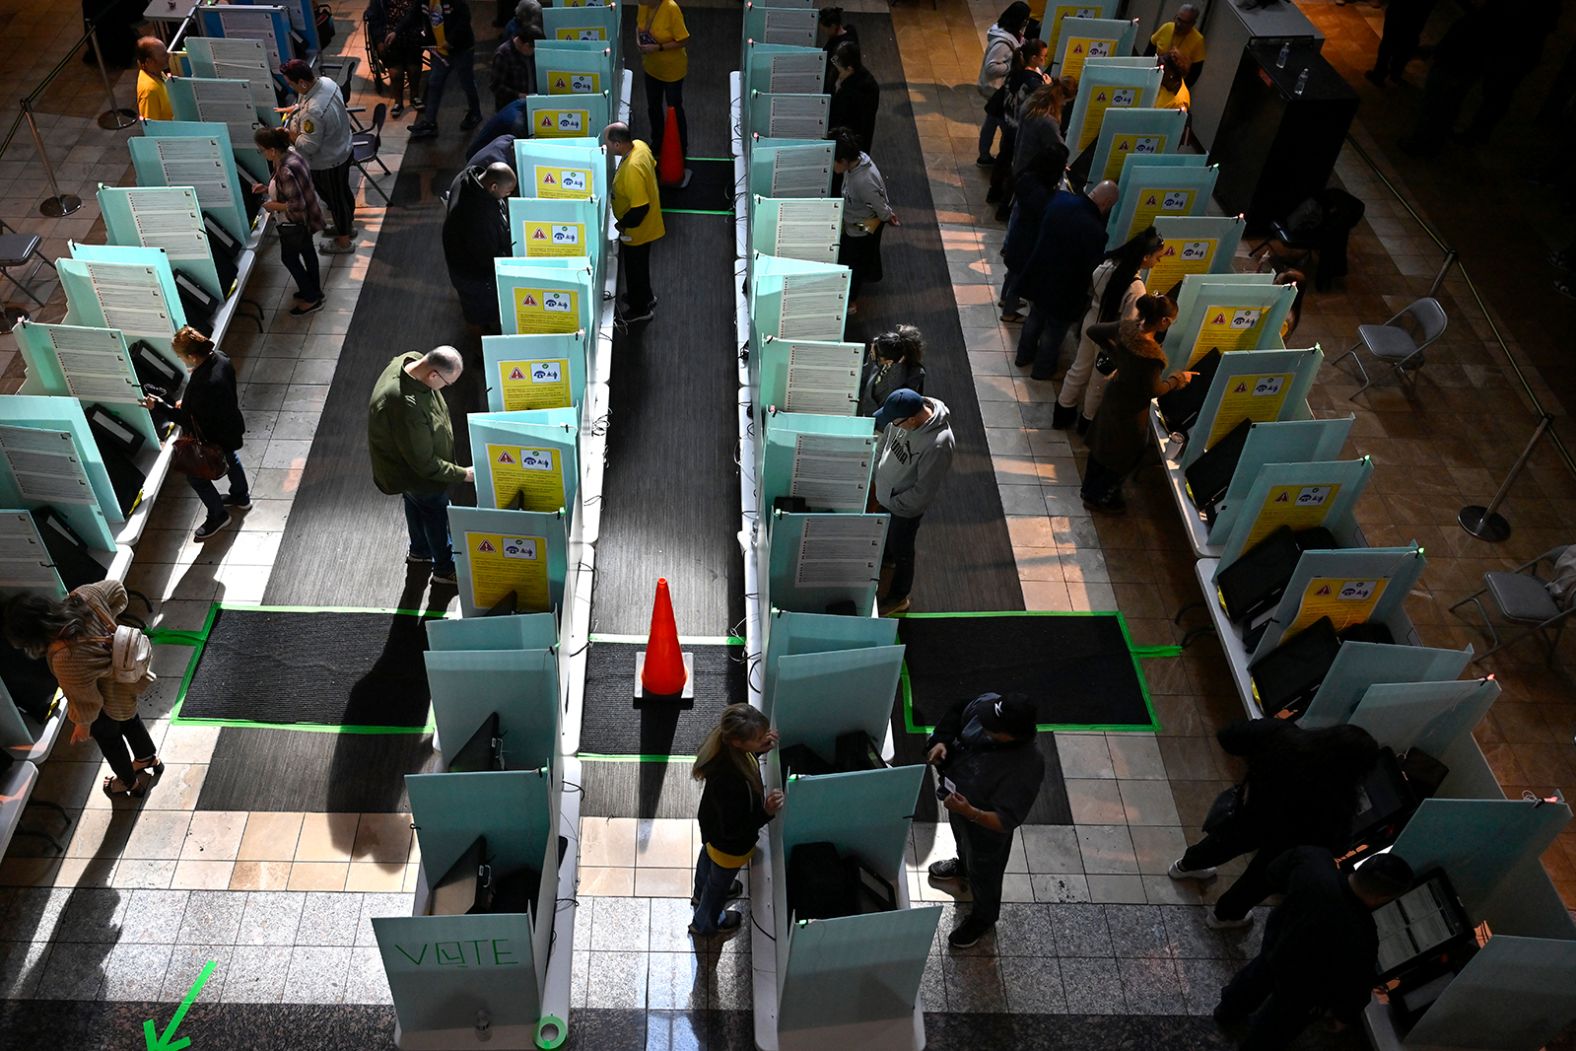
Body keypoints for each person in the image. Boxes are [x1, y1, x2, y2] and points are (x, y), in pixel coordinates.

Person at [1170, 719, 1381, 928]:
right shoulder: (1341, 800)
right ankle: (1224, 916)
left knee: (1223, 843)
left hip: (1251, 813)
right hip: (1286, 842)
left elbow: (1229, 736)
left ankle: (1185, 866)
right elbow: (1338, 846)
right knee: (1257, 881)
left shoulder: (1283, 735)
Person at [1215, 849, 1414, 1051]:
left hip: (1276, 945)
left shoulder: (1314, 865)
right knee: (1276, 1026)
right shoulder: (1364, 935)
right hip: (1301, 987)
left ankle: (1226, 1012)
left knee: (1254, 979)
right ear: (1382, 898)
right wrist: (1344, 1016)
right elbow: (1355, 985)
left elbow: (1275, 870)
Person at [5, 582, 160, 799]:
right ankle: (148, 757)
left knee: (111, 740)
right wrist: (109, 625)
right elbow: (118, 590)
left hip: (108, 699)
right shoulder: (84, 596)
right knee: (131, 719)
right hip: (127, 683)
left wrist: (82, 725)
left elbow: (88, 702)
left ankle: (129, 783)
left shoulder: (65, 657)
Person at [924, 691, 1045, 948]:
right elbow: (959, 708)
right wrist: (942, 740)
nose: (982, 724)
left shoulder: (1026, 767)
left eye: (991, 727)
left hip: (986, 830)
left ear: (1012, 735)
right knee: (962, 843)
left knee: (985, 873)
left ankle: (983, 918)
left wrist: (971, 812)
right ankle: (963, 867)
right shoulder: (989, 709)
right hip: (959, 804)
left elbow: (1005, 820)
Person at [367, 346, 475, 586]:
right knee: (435, 515)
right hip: (420, 475)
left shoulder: (410, 360)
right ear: (433, 375)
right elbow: (425, 464)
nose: (446, 388)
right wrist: (462, 474)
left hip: (405, 472)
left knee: (415, 505)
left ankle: (419, 552)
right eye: (447, 383)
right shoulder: (407, 408)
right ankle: (444, 570)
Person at [1078, 294, 1192, 513]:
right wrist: (1178, 379)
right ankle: (1102, 498)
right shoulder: (1150, 356)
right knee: (1123, 455)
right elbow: (1154, 389)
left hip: (1114, 396)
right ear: (1164, 322)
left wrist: (1118, 357)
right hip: (1131, 411)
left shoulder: (1126, 329)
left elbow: (1093, 331)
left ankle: (1088, 491)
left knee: (1101, 444)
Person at [141, 327, 250, 541]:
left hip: (212, 437)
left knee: (197, 479)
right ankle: (241, 496)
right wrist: (191, 404)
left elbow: (186, 419)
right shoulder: (221, 358)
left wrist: (159, 407)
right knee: (231, 458)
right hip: (231, 426)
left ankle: (218, 516)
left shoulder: (202, 385)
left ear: (191, 356)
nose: (183, 361)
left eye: (182, 357)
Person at [1055, 225, 1164, 432]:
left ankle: (1062, 410)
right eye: (1157, 257)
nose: (1158, 262)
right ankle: (1086, 423)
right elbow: (1128, 322)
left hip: (1091, 322)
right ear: (1145, 257)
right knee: (1099, 381)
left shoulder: (1106, 266)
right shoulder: (1137, 287)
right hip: (1111, 336)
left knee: (1078, 368)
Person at [691, 704, 784, 937]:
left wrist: (758, 750)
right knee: (717, 890)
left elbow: (745, 759)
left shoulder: (725, 752)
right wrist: (766, 812)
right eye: (759, 738)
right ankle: (705, 923)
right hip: (728, 846)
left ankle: (699, 894)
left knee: (707, 864)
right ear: (737, 742)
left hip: (713, 835)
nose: (765, 738)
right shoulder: (729, 781)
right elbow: (736, 828)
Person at [1014, 180, 1118, 380]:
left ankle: (1023, 356)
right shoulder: (1096, 232)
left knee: (1034, 318)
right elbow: (1092, 268)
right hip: (1066, 291)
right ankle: (1042, 369)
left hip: (1040, 275)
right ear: (1106, 204)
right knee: (1053, 332)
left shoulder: (1060, 200)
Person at [872, 390, 955, 616]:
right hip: (887, 497)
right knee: (888, 540)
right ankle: (886, 563)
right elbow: (886, 438)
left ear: (911, 419)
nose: (893, 424)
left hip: (904, 510)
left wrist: (892, 501)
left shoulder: (938, 444)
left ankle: (899, 597)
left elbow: (923, 491)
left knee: (903, 552)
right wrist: (876, 469)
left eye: (897, 421)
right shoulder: (903, 417)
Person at [280, 59, 356, 255]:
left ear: (302, 83)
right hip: (343, 149)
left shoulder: (314, 111)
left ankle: (344, 242)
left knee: (335, 201)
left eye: (291, 83)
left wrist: (288, 134)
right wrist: (296, 110)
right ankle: (347, 227)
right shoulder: (327, 83)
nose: (290, 87)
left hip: (328, 162)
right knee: (343, 194)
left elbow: (308, 146)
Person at [253, 126, 327, 316]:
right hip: (307, 219)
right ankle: (314, 291)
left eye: (261, 150)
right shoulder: (292, 155)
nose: (261, 154)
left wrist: (273, 206)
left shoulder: (285, 169)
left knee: (289, 258)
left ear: (272, 150)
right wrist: (267, 188)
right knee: (308, 254)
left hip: (295, 222)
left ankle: (311, 298)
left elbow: (296, 204)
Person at [442, 161, 516, 336]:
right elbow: (487, 258)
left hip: (458, 254)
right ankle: (478, 347)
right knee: (476, 312)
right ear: (493, 186)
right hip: (472, 273)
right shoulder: (479, 217)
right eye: (506, 192)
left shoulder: (466, 176)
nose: (507, 197)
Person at [605, 122, 665, 326]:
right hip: (650, 224)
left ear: (617, 144)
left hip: (637, 230)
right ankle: (645, 297)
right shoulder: (640, 146)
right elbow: (655, 171)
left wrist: (622, 225)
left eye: (609, 143)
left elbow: (640, 208)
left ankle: (640, 310)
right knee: (641, 265)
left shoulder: (631, 169)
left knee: (635, 268)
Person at [833, 130, 898, 315]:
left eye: (834, 161)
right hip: (853, 220)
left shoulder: (864, 181)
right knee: (849, 255)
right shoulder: (857, 162)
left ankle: (850, 300)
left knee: (855, 261)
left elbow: (879, 205)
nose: (832, 166)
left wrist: (887, 216)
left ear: (844, 160)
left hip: (862, 226)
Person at [998, 147, 1064, 323]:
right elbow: (1043, 214)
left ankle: (1004, 299)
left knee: (1012, 272)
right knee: (1018, 277)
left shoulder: (1026, 178)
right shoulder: (1041, 192)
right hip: (1028, 240)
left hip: (1018, 234)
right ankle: (1009, 311)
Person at [986, 38, 1050, 219]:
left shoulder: (1015, 72)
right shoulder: (1033, 82)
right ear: (1034, 58)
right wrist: (1047, 86)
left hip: (1008, 122)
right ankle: (1005, 207)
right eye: (1043, 57)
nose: (1045, 60)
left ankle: (994, 191)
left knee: (1003, 157)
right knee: (1017, 168)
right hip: (1021, 130)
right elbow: (1042, 101)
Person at [408, 0, 483, 139]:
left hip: (461, 49)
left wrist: (451, 41)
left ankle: (475, 113)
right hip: (440, 50)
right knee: (434, 83)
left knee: (467, 82)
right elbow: (412, 15)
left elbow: (464, 19)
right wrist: (396, 32)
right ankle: (430, 123)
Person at [976, 2, 1031, 166]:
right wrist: (1011, 66)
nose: (1026, 23)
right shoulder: (1002, 43)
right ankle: (1000, 160)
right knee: (1007, 128)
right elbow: (991, 67)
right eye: (1025, 20)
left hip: (998, 90)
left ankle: (984, 156)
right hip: (998, 90)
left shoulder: (1005, 32)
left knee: (991, 122)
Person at [637, 0, 690, 157]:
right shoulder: (642, 5)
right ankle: (657, 142)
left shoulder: (671, 9)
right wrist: (638, 42)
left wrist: (658, 47)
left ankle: (681, 147)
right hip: (651, 67)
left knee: (674, 108)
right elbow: (639, 26)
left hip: (672, 70)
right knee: (653, 107)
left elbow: (683, 39)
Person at [368, 0, 426, 117]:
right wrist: (379, 40)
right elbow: (374, 18)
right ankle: (398, 102)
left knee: (413, 65)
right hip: (389, 34)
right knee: (395, 71)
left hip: (411, 31)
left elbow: (415, 12)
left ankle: (414, 97)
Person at [858, 325, 926, 418]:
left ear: (888, 361)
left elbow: (897, 400)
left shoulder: (915, 374)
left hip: (882, 422)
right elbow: (865, 376)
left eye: (874, 356)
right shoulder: (880, 350)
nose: (871, 355)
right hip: (861, 409)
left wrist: (897, 369)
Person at [1366, 0, 1438, 86]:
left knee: (1389, 39)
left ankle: (1379, 74)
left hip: (1402, 7)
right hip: (1421, 10)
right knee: (1408, 41)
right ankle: (1395, 73)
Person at [827, 41, 879, 153]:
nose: (836, 71)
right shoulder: (840, 73)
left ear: (849, 69)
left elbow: (859, 127)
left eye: (839, 69)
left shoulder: (865, 90)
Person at [1149, 3, 1205, 87]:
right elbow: (1149, 51)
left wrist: (1181, 88)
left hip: (1173, 85)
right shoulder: (1166, 27)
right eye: (1178, 19)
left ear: (1192, 23)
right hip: (1153, 77)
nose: (1179, 24)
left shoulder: (1198, 40)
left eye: (1184, 22)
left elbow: (1195, 73)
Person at [490, 27, 541, 111]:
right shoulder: (503, 55)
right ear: (526, 45)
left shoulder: (529, 52)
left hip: (532, 104)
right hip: (512, 107)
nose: (535, 52)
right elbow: (496, 86)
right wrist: (519, 95)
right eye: (534, 49)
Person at [818, 6, 859, 93]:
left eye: (825, 30)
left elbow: (833, 72)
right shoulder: (850, 30)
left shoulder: (837, 47)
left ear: (832, 26)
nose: (825, 33)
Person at [134, 37, 172, 122]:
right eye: (163, 55)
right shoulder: (149, 92)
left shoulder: (158, 72)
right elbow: (151, 126)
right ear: (149, 61)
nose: (168, 56)